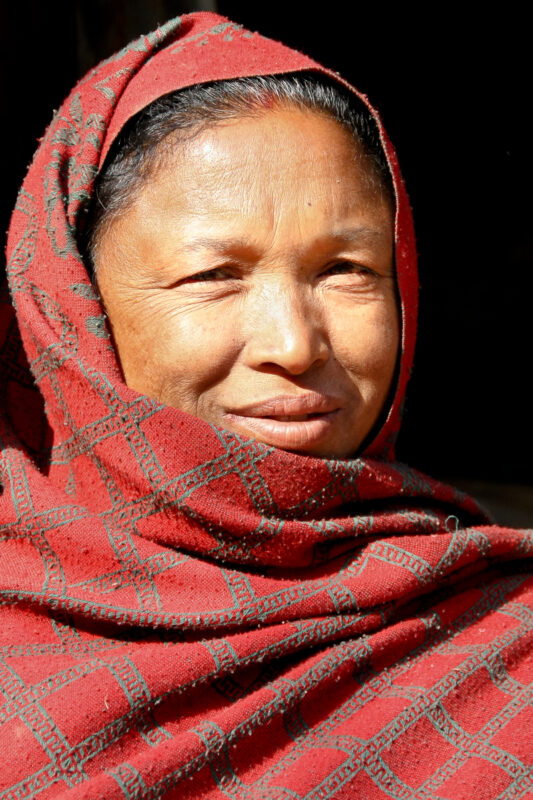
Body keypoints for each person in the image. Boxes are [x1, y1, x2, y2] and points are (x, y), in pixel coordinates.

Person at [0, 12, 530, 799]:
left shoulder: (502, 639)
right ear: (75, 306)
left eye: (345, 268)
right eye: (214, 275)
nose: (294, 342)